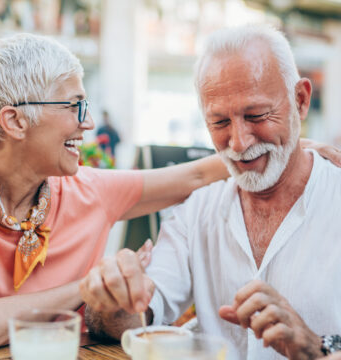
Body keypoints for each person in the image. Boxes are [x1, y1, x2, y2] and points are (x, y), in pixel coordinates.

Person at [80, 24, 341, 360]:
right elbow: (140, 314)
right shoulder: (198, 209)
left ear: (300, 101)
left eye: (256, 115)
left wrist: (317, 347)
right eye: (219, 123)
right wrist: (114, 299)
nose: (239, 142)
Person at [0, 32, 237, 352]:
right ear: (15, 121)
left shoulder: (90, 192)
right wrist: (87, 286)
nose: (87, 122)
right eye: (74, 105)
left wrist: (289, 148)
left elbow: (197, 175)